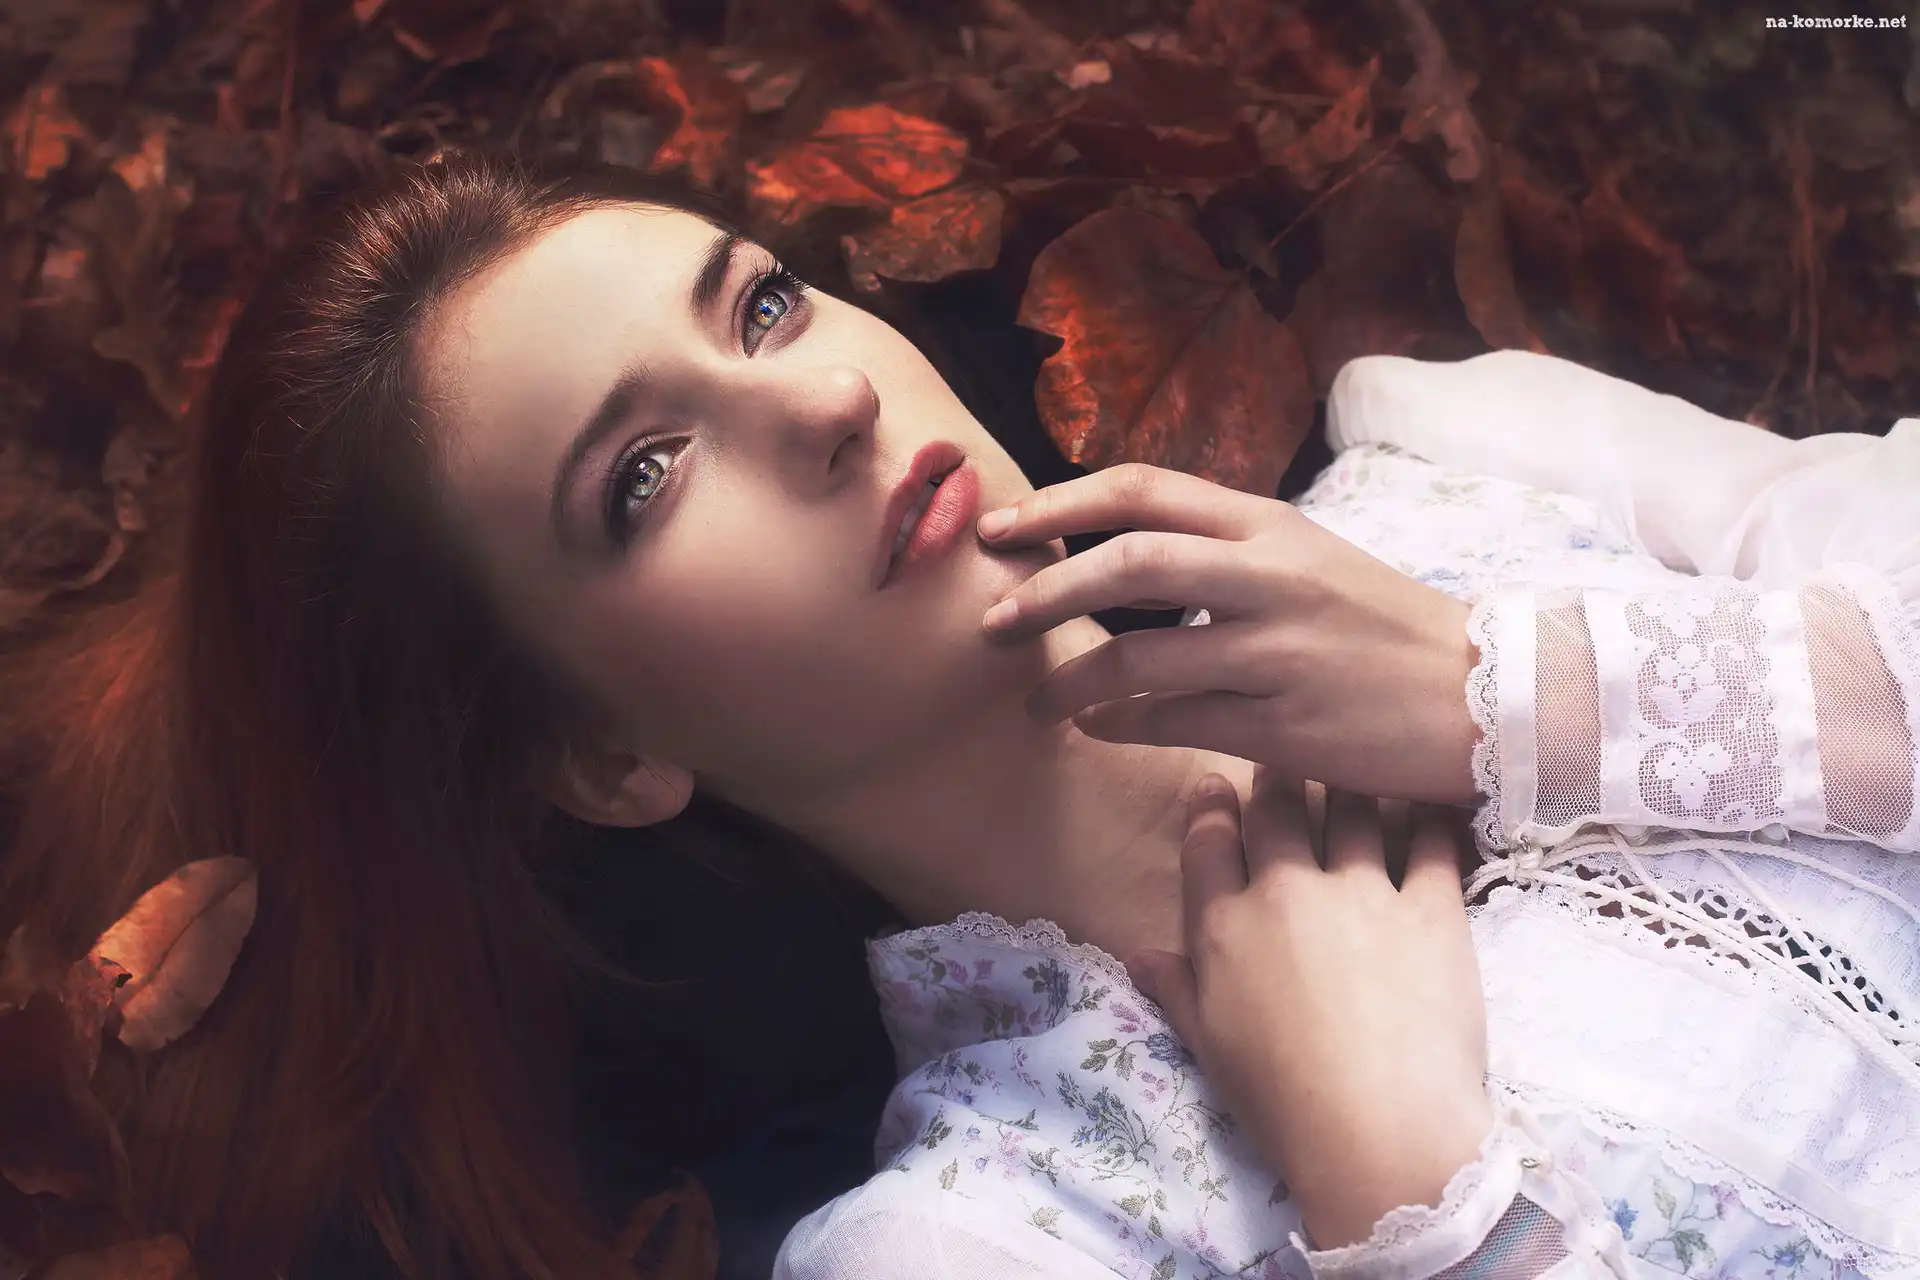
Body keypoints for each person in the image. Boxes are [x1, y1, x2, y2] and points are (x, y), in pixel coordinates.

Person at [0, 148, 1913, 1279]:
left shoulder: (1461, 446)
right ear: (603, 756)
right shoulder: (983, 1237)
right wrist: (1412, 1199)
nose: (823, 400)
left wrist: (1507, 690)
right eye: (645, 473)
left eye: (760, 307)